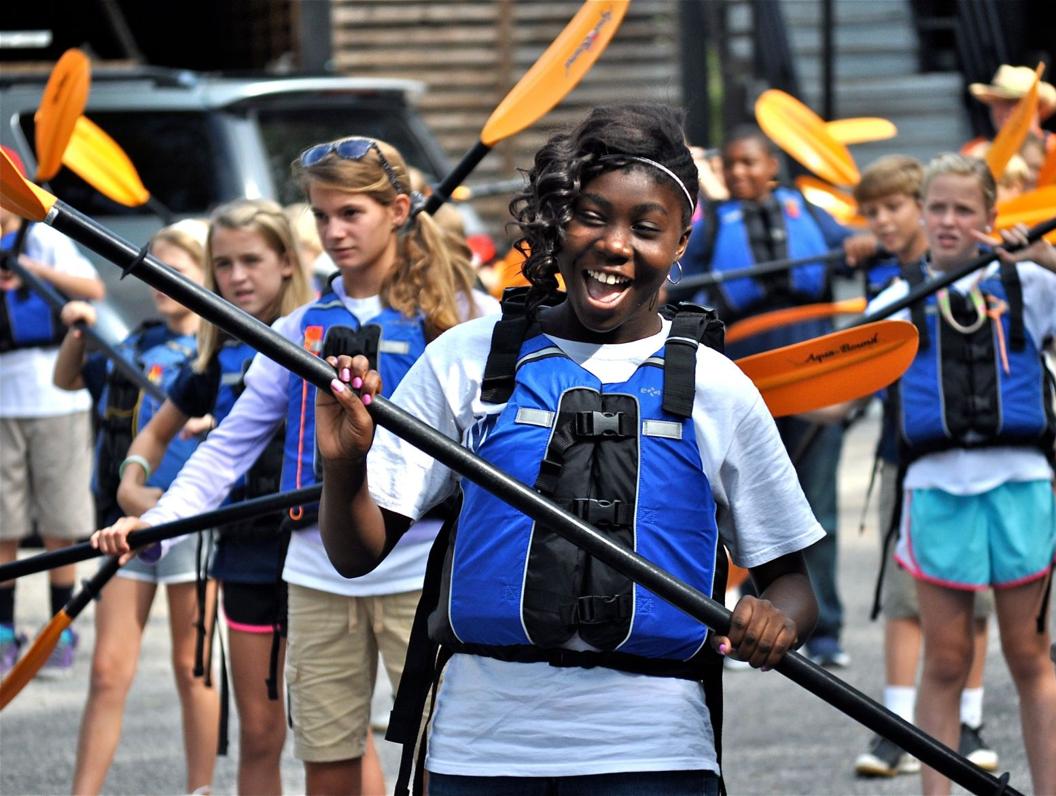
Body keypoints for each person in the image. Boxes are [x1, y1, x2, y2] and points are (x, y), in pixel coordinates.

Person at [311, 103, 822, 795]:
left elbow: (791, 582)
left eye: (646, 228)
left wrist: (777, 619)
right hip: (480, 751)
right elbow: (355, 553)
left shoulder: (717, 388)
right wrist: (342, 465)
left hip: (655, 751)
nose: (615, 245)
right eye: (592, 216)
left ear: (680, 244)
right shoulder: (468, 359)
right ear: (557, 221)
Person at [91, 136, 495, 795]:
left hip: (423, 576)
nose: (333, 232)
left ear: (399, 210)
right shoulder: (296, 330)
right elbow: (227, 449)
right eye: (321, 216)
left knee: (440, 766)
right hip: (316, 577)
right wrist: (160, 519)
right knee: (328, 765)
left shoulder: (466, 319)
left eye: (350, 214)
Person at [868, 153, 1056, 795]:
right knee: (947, 660)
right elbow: (848, 386)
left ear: (990, 216)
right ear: (922, 216)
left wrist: (1046, 257)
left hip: (1020, 490)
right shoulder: (899, 299)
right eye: (938, 209)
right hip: (935, 495)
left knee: (1027, 656)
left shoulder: (1027, 286)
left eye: (965, 210)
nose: (950, 221)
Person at [112, 199, 311, 795]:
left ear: (284, 262)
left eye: (251, 260)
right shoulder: (216, 354)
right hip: (245, 555)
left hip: (321, 554)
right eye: (223, 265)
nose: (237, 276)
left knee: (335, 738)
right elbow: (155, 430)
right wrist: (132, 478)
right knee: (259, 734)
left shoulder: (319, 333)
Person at [678, 125, 875, 669]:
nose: (740, 173)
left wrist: (860, 246)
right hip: (747, 393)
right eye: (733, 165)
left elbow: (862, 250)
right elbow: (679, 283)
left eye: (750, 163)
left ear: (771, 166)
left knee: (816, 510)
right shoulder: (712, 223)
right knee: (736, 519)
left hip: (814, 391)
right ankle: (736, 625)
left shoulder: (809, 213)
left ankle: (826, 631)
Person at [53, 219, 220, 796]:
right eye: (154, 270)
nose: (161, 282)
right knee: (107, 670)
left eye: (178, 271)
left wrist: (214, 422)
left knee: (190, 666)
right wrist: (78, 333)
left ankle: (199, 788)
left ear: (207, 274)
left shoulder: (219, 352)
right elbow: (68, 379)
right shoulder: (134, 342)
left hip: (191, 523)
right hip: (123, 522)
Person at [848, 155, 997, 778]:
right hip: (908, 460)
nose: (883, 221)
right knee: (906, 599)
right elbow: (855, 377)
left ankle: (967, 720)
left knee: (978, 601)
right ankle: (898, 726)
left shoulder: (982, 276)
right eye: (873, 212)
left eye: (895, 209)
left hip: (981, 462)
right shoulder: (885, 283)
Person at [0, 148, 106, 678]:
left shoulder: (42, 236)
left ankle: (58, 629)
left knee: (62, 521)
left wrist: (29, 268)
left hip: (54, 396)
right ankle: (3, 630)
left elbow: (93, 289)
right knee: (3, 525)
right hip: (3, 401)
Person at [963, 65, 1056, 157]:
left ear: (1038, 107)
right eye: (997, 101)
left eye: (1015, 101)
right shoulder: (974, 152)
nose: (1005, 109)